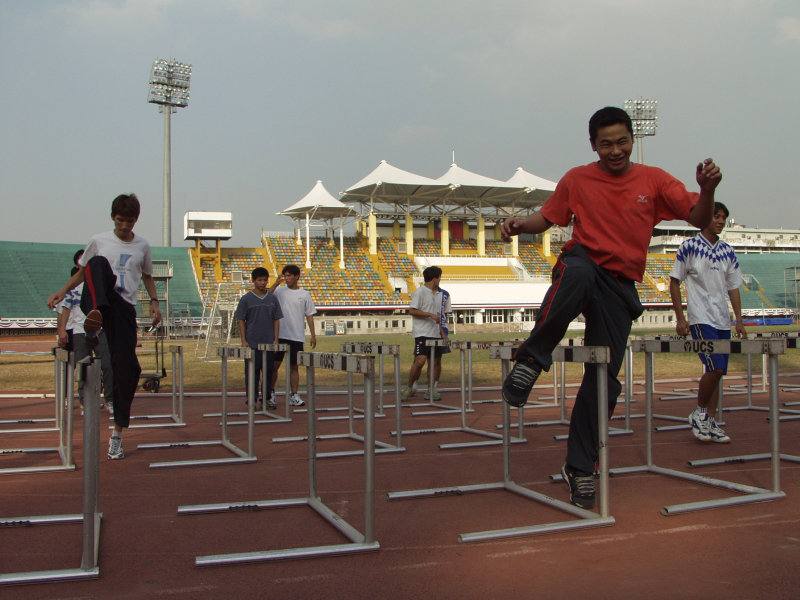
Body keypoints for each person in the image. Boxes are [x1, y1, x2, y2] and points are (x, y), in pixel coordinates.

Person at [499, 106, 721, 509]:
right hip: (583, 262)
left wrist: (706, 190)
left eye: (622, 141)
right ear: (593, 145)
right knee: (577, 273)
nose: (615, 150)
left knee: (603, 379)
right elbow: (546, 219)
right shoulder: (578, 178)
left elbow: (697, 217)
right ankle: (530, 360)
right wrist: (517, 224)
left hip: (620, 286)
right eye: (606, 144)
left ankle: (580, 467)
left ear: (632, 139)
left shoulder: (653, 180)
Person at [48, 193, 161, 460]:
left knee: (129, 369)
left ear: (137, 220)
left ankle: (117, 435)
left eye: (130, 221)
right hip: (99, 299)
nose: (124, 226)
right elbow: (81, 272)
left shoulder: (142, 245)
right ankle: (96, 314)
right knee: (97, 263)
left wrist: (155, 304)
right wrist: (62, 291)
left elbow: (147, 276)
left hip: (123, 308)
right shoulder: (99, 241)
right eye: (121, 220)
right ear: (113, 217)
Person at [669, 201, 745, 443]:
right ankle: (700, 413)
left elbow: (733, 288)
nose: (721, 221)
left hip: (722, 320)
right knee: (714, 368)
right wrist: (681, 318)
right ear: (705, 218)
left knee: (719, 371)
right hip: (701, 319)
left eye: (724, 217)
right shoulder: (689, 247)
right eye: (716, 216)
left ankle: (710, 421)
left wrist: (739, 320)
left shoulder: (728, 251)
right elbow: (674, 282)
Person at [56, 261, 114, 415]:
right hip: (80, 332)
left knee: (108, 365)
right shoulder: (73, 290)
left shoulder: (100, 288)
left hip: (100, 331)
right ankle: (85, 402)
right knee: (83, 368)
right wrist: (62, 330)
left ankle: (109, 400)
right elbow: (65, 310)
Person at [401, 265, 452, 402]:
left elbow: (443, 316)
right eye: (439, 277)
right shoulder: (420, 292)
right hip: (422, 333)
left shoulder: (444, 295)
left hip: (437, 333)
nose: (440, 280)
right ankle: (410, 387)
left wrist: (443, 332)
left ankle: (431, 390)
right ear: (434, 279)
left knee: (435, 361)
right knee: (420, 360)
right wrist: (429, 315)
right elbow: (412, 311)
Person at [235, 267, 282, 410]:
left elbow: (276, 320)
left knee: (268, 372)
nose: (262, 283)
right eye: (259, 280)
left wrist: (275, 339)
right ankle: (252, 398)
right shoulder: (246, 299)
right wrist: (244, 340)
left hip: (268, 343)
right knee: (251, 373)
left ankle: (267, 398)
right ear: (253, 281)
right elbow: (241, 320)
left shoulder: (272, 298)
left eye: (264, 280)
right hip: (252, 343)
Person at [269, 264, 316, 407]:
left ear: (297, 276)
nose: (287, 278)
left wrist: (313, 335)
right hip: (280, 335)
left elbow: (309, 315)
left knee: (294, 366)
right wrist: (276, 283)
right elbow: (267, 297)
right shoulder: (279, 290)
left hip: (296, 336)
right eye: (285, 276)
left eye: (289, 275)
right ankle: (270, 393)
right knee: (274, 365)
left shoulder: (304, 294)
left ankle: (294, 394)